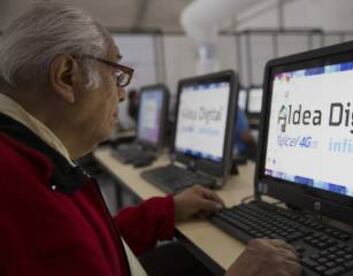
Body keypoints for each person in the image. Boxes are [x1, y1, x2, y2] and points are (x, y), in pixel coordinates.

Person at [0, 3, 301, 276]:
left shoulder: (28, 159)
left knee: (186, 256)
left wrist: (166, 211)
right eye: (116, 76)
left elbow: (88, 246)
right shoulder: (16, 189)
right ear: (67, 76)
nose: (120, 94)